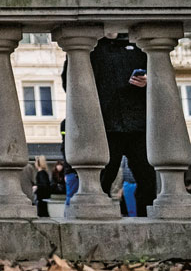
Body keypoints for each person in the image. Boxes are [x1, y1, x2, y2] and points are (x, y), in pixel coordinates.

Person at [62, 33, 153, 216]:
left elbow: (156, 76)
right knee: (102, 180)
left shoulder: (135, 46)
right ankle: (97, 219)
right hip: (106, 126)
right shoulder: (91, 48)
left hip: (137, 124)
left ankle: (146, 219)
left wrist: (147, 82)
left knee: (147, 180)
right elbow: (69, 83)